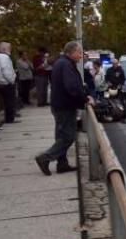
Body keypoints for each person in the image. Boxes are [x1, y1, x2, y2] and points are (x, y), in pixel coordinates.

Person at [35, 41, 93, 176]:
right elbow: (72, 88)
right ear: (71, 52)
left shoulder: (62, 63)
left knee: (61, 136)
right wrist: (85, 98)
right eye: (79, 53)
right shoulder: (66, 65)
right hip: (64, 107)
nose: (81, 56)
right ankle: (46, 157)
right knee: (68, 137)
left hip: (60, 105)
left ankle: (62, 164)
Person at [0, 42, 17, 123]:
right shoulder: (5, 57)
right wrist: (12, 80)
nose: (10, 50)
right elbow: (6, 71)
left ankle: (8, 118)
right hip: (6, 83)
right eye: (9, 48)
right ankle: (9, 119)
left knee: (4, 102)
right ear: (4, 49)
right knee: (9, 102)